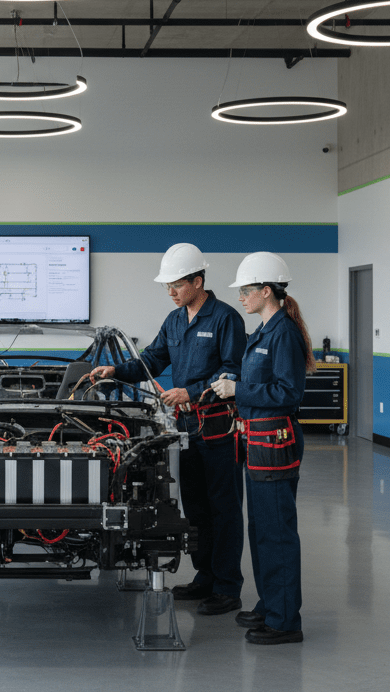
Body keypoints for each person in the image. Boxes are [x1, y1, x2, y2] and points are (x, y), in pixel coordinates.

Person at [90, 242, 246, 616]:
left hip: (219, 428)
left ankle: (227, 588)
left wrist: (190, 392)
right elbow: (152, 359)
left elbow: (233, 371)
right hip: (186, 428)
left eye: (176, 285)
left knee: (223, 508)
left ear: (197, 280)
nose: (171, 292)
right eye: (167, 287)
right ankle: (204, 578)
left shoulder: (226, 319)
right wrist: (116, 370)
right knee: (194, 506)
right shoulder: (174, 320)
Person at [211, 251, 313, 645]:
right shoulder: (262, 331)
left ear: (266, 291)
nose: (241, 297)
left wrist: (240, 389)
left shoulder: (283, 333)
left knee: (277, 531)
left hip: (275, 439)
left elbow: (289, 392)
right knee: (261, 529)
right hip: (257, 439)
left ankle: (285, 621)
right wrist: (231, 385)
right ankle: (272, 604)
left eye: (247, 290)